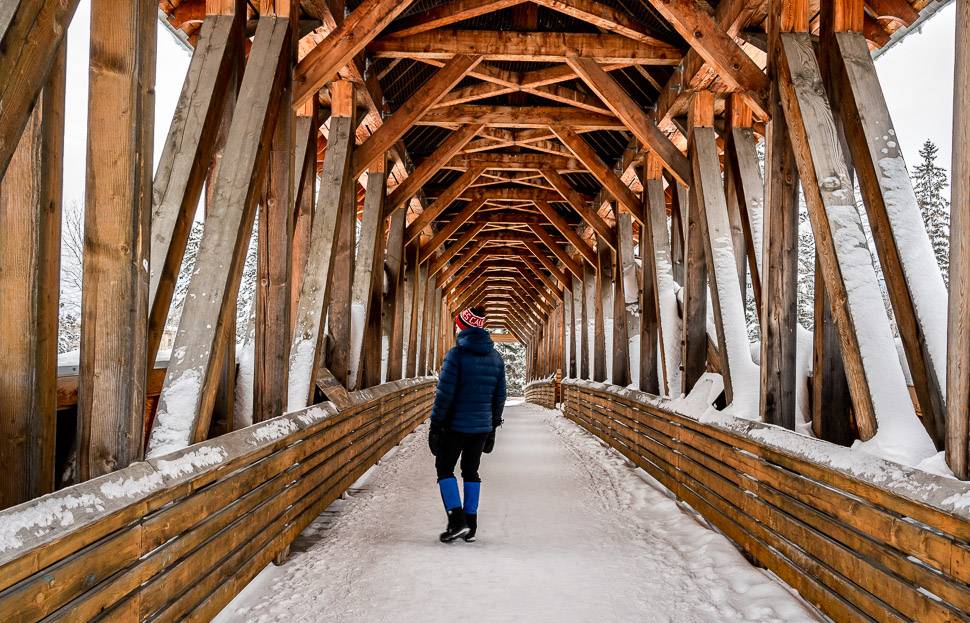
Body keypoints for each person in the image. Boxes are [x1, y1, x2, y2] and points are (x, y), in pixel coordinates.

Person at [428, 306, 507, 543]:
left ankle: (457, 521)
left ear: (461, 327)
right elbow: (500, 395)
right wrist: (493, 426)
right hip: (481, 426)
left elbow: (444, 394)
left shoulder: (456, 355)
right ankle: (471, 525)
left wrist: (436, 424)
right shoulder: (495, 357)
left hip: (455, 425)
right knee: (471, 471)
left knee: (444, 468)